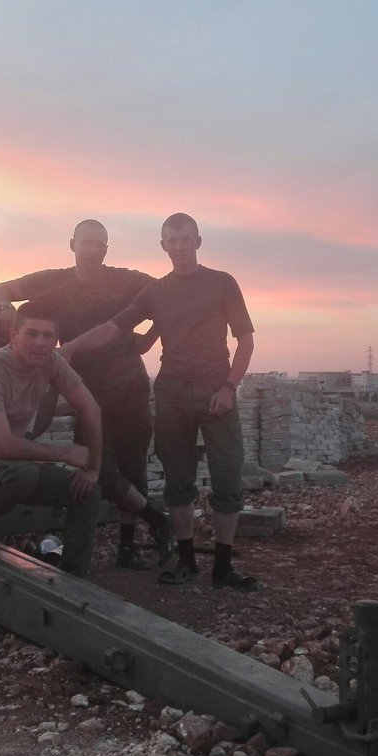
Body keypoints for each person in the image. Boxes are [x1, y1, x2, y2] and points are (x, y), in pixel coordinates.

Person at [61, 213, 257, 591]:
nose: (181, 247)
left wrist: (229, 387)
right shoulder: (156, 292)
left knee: (228, 477)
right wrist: (70, 347)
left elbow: (245, 340)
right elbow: (113, 328)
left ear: (198, 242)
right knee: (178, 480)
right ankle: (185, 561)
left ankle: (222, 566)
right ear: (163, 246)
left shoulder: (222, 283)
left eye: (187, 240)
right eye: (173, 241)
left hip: (217, 389)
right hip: (172, 393)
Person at [0, 219, 173, 571]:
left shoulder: (127, 280)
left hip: (129, 384)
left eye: (101, 245)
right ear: (72, 244)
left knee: (133, 465)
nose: (94, 250)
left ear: (107, 249)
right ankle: (157, 521)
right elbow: (0, 289)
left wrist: (148, 340)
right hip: (83, 387)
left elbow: (168, 296)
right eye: (87, 243)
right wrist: (4, 308)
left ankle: (127, 547)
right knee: (93, 466)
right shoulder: (52, 281)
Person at [0, 300, 102, 578]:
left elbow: (91, 409)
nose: (40, 342)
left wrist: (93, 469)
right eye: (31, 333)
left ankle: (75, 577)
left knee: (87, 492)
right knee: (22, 473)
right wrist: (64, 454)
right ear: (13, 335)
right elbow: (2, 445)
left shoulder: (52, 363)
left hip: (8, 464)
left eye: (48, 335)